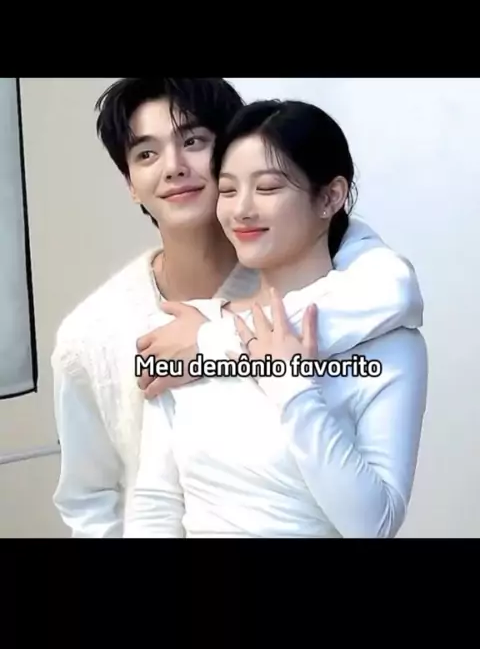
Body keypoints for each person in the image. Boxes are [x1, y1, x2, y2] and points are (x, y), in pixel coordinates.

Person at [52, 78, 424, 538]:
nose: (173, 167)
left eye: (193, 142)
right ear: (129, 181)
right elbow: (118, 502)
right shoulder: (107, 333)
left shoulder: (338, 277)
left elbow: (395, 290)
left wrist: (212, 341)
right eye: (146, 154)